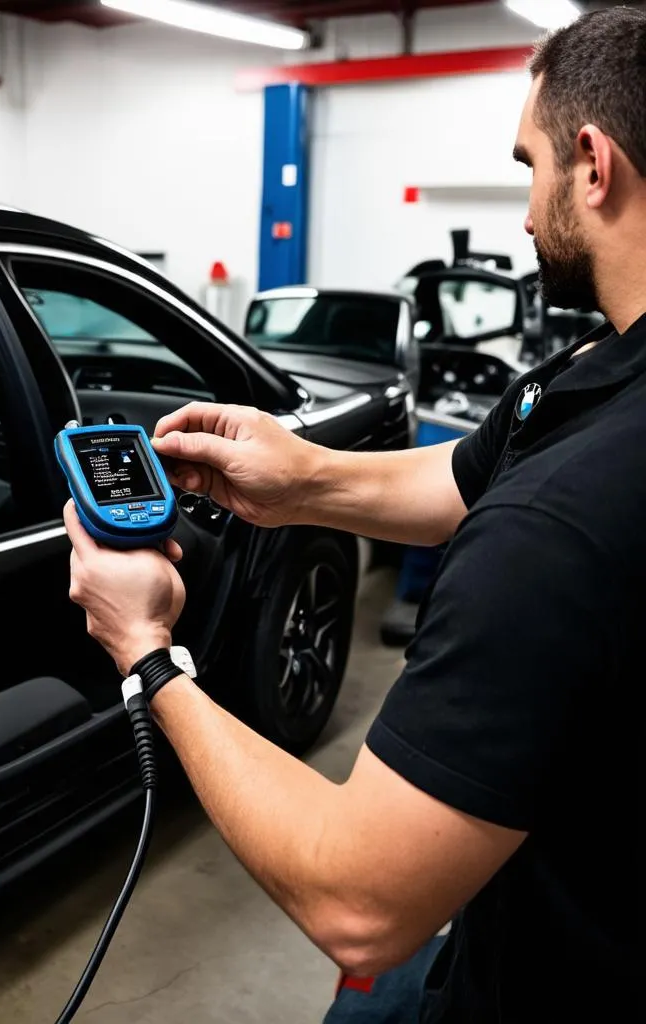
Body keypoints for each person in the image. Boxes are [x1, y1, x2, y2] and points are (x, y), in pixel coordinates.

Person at [62, 9, 644, 1022]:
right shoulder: (599, 377)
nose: (521, 215)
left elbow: (360, 902)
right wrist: (304, 479)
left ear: (592, 166)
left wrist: (146, 651)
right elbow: (466, 473)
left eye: (529, 165)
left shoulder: (559, 525)